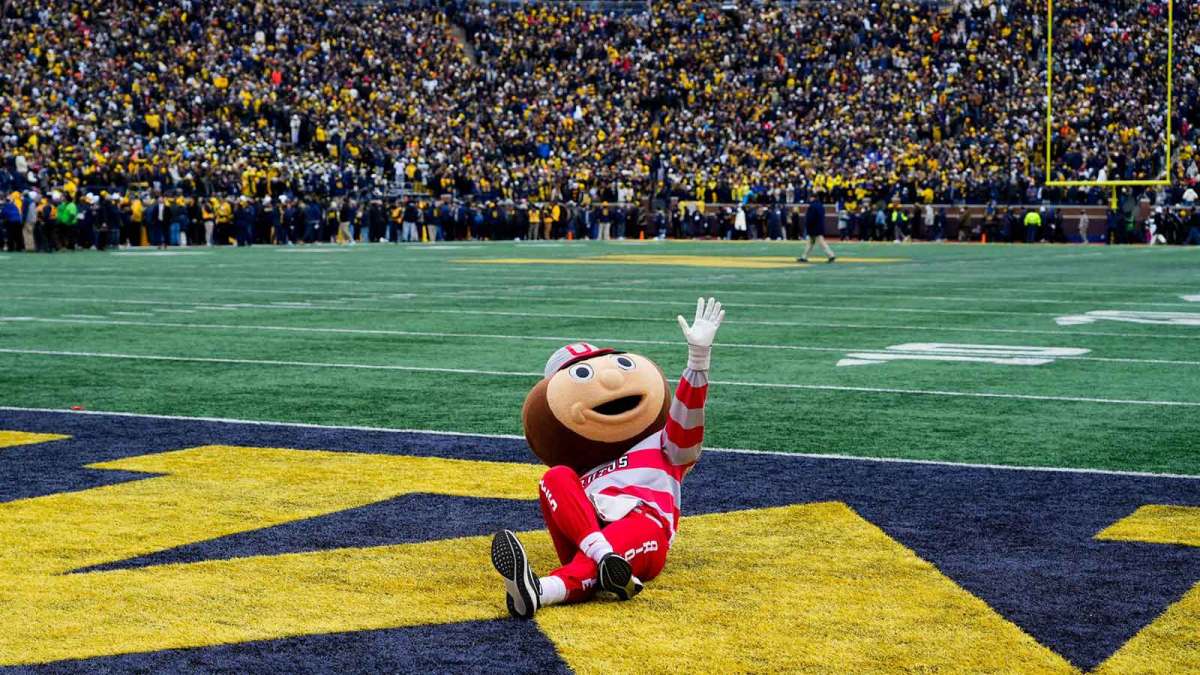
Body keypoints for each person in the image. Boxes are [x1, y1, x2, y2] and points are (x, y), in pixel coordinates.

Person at [491, 298, 725, 618]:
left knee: (613, 541)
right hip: (586, 539)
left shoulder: (661, 445)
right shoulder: (579, 472)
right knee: (554, 477)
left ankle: (541, 591)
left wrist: (698, 361)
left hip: (643, 525)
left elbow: (688, 424)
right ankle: (607, 565)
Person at [797, 195, 835, 263]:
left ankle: (831, 255)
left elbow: (810, 218)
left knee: (820, 243)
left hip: (813, 228)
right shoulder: (821, 206)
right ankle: (804, 257)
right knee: (811, 243)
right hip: (819, 227)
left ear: (813, 198)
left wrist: (808, 225)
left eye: (810, 198)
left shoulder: (812, 206)